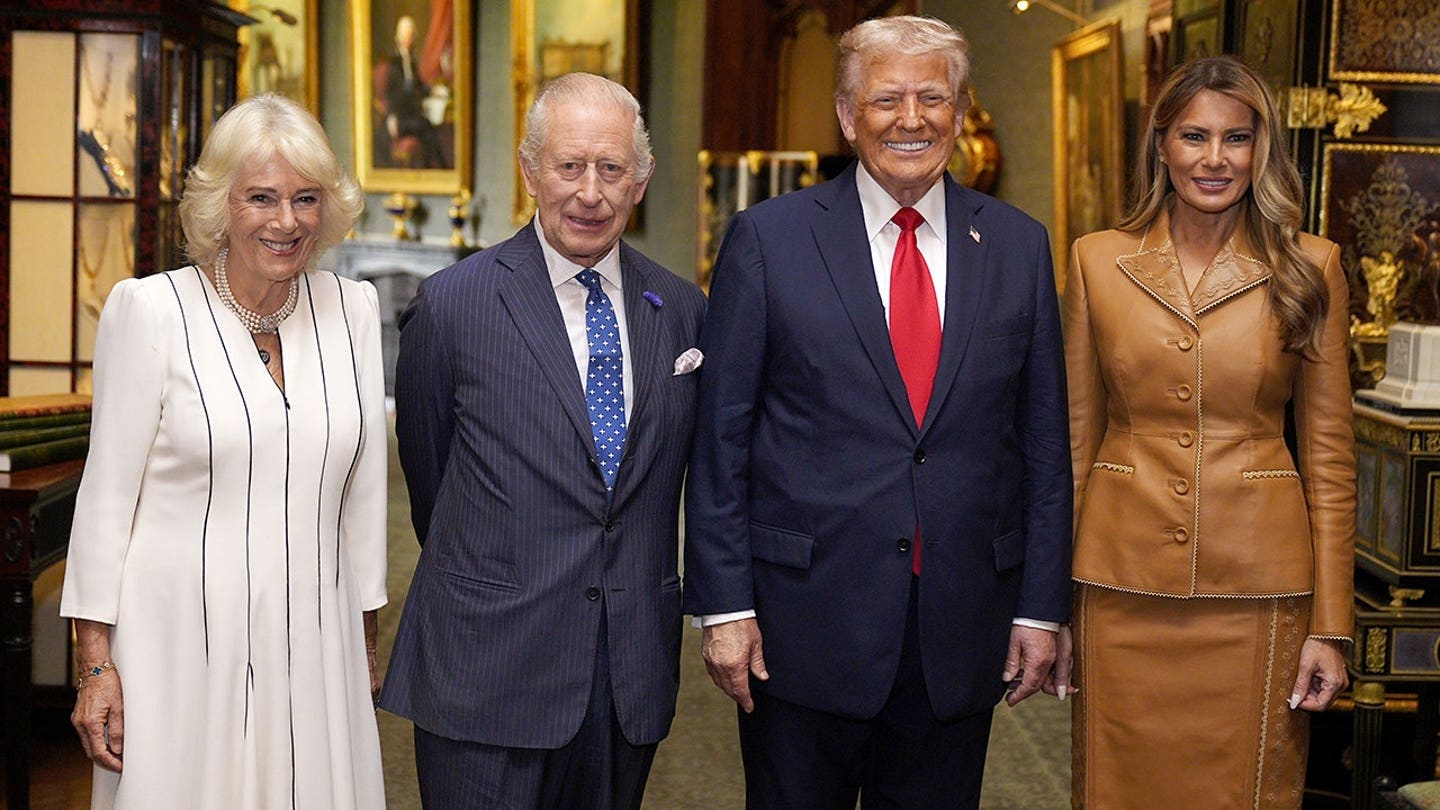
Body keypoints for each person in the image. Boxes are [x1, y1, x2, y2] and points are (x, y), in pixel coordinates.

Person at [683, 15, 1072, 808]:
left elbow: (1042, 444)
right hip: (800, 625)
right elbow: (721, 438)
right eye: (887, 98)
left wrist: (1041, 608)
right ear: (846, 114)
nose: (911, 119)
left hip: (958, 626)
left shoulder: (1019, 245)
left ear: (960, 113)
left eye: (933, 97)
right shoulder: (768, 240)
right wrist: (724, 605)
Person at [380, 72, 706, 809]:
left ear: (641, 180)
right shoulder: (453, 306)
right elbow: (430, 481)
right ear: (531, 171)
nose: (590, 192)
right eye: (569, 166)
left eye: (612, 169)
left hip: (625, 674)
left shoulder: (683, 311)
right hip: (486, 668)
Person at [60, 93, 386, 809]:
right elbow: (106, 504)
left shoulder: (354, 311)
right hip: (180, 648)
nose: (286, 221)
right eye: (261, 197)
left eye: (305, 198)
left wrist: (363, 641)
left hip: (317, 642)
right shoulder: (150, 311)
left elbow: (362, 502)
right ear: (219, 205)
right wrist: (96, 666)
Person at [1062, 55, 1354, 808]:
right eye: (1194, 136)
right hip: (1120, 583)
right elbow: (1073, 442)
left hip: (1258, 589)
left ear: (1262, 150)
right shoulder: (1097, 261)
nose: (1215, 159)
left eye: (1237, 138)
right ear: (1161, 144)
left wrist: (1331, 625)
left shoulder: (1311, 266)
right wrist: (1049, 605)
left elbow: (1330, 460)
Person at [383, 15, 447, 169]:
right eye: (406, 35)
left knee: (429, 128)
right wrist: (391, 116)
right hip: (400, 118)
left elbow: (419, 86)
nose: (409, 39)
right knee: (427, 128)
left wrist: (433, 91)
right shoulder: (393, 63)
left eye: (411, 35)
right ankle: (438, 167)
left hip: (412, 114)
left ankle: (432, 167)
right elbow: (390, 93)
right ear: (399, 37)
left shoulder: (411, 62)